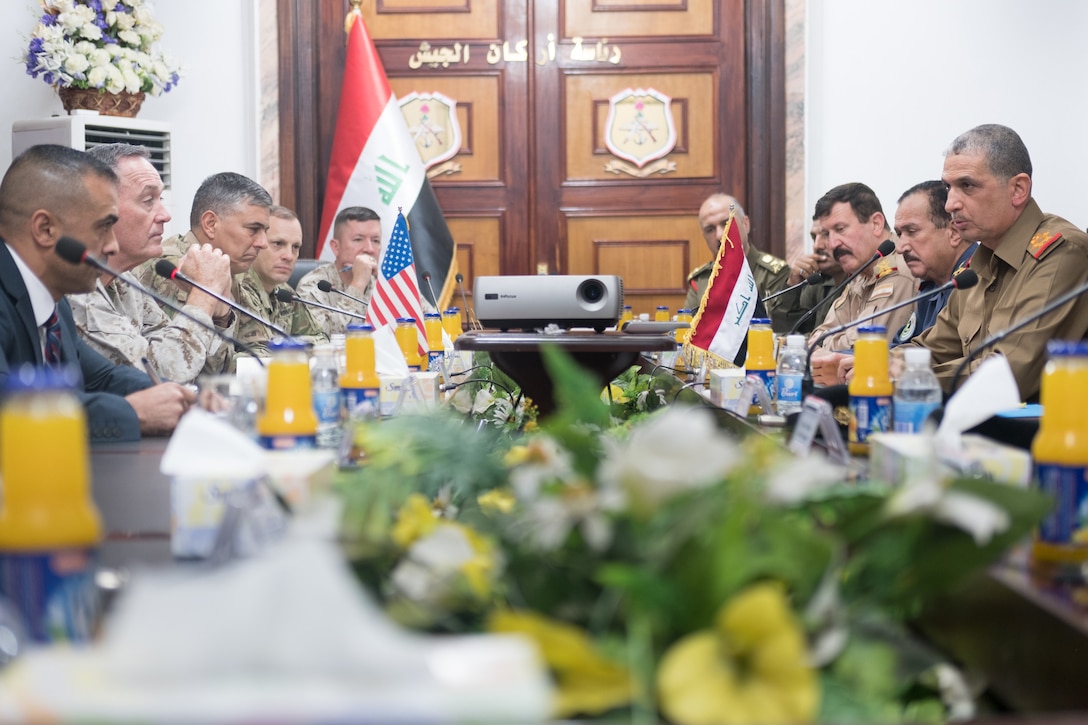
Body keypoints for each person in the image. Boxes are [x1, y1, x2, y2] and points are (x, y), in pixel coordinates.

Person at [0, 144, 193, 442]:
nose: (113, 246)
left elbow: (102, 377)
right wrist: (133, 413)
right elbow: (10, 411)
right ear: (45, 229)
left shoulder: (53, 300)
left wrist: (181, 398)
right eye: (103, 227)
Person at [907, 124, 1088, 401]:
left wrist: (902, 375)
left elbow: (1009, 372)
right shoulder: (975, 266)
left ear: (1018, 190)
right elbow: (935, 347)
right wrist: (869, 362)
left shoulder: (1061, 253)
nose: (950, 204)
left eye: (967, 186)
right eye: (948, 188)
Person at [67, 144, 236, 384]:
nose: (165, 214)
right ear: (101, 208)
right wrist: (203, 295)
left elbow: (206, 373)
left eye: (161, 199)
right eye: (148, 200)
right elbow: (159, 376)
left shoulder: (125, 282)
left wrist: (218, 315)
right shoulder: (75, 288)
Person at [833, 181, 979, 385]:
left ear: (954, 233)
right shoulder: (930, 285)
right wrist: (857, 359)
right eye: (900, 234)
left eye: (912, 231)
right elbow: (903, 346)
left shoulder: (975, 279)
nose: (901, 247)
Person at [133, 171, 272, 363]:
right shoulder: (173, 269)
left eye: (265, 231)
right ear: (210, 224)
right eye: (253, 229)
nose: (263, 243)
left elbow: (263, 345)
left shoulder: (231, 267)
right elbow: (199, 365)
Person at [807, 182, 917, 384]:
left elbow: (864, 350)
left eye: (840, 229)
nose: (832, 244)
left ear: (876, 224)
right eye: (827, 233)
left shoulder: (899, 271)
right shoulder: (861, 270)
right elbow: (819, 335)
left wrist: (828, 347)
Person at [235, 205, 328, 354]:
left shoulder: (285, 292)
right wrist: (297, 348)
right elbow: (254, 357)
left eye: (295, 247)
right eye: (278, 244)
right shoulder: (238, 288)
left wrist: (289, 345)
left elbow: (321, 338)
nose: (289, 256)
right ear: (258, 243)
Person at [684, 193, 789, 312]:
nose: (719, 235)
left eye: (726, 223)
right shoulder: (701, 280)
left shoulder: (773, 275)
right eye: (710, 229)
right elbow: (688, 327)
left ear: (746, 224)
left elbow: (780, 327)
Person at [295, 206, 380, 335]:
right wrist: (358, 284)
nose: (369, 249)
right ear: (336, 247)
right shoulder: (313, 284)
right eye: (358, 239)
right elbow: (322, 335)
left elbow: (419, 320)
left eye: (375, 241)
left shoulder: (388, 284)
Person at [764, 216, 845, 334]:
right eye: (814, 237)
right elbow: (783, 332)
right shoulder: (817, 281)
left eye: (826, 235)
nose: (817, 246)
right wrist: (792, 286)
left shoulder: (863, 279)